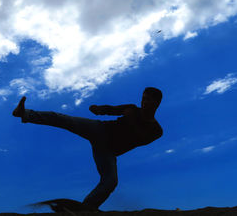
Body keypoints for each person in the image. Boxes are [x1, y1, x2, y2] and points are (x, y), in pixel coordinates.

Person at [12, 87, 163, 210]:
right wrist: (98, 109)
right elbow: (112, 109)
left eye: (148, 100)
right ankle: (25, 113)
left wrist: (130, 120)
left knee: (111, 182)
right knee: (64, 120)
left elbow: (141, 138)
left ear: (156, 103)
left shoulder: (156, 130)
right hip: (100, 130)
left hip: (108, 151)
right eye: (143, 98)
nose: (144, 102)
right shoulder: (132, 109)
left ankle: (86, 209)